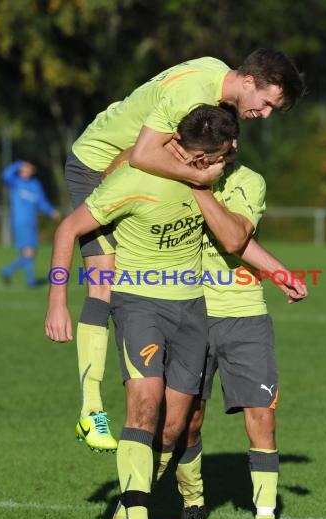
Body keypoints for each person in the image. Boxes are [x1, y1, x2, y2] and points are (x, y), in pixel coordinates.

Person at [66, 47, 305, 451]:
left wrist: (280, 274)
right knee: (103, 285)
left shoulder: (214, 77)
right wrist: (203, 178)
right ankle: (91, 411)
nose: (264, 115)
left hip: (124, 166)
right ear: (248, 81)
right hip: (96, 166)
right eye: (266, 104)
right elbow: (143, 155)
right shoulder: (195, 94)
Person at [45, 105, 241, 519]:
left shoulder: (223, 180)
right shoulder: (136, 180)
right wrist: (57, 299)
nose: (203, 168)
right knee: (144, 404)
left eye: (212, 161)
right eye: (196, 160)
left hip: (192, 308)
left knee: (173, 429)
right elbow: (69, 228)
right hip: (138, 303)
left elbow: (239, 238)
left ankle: (122, 511)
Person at [106, 127, 307, 519]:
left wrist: (278, 271)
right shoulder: (171, 173)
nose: (227, 147)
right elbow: (122, 173)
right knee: (182, 424)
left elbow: (237, 237)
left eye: (231, 139)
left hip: (243, 314)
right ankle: (180, 504)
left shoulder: (247, 181)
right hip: (190, 310)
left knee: (262, 416)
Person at [0, 160, 60, 288]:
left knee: (31, 252)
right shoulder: (15, 182)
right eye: (25, 168)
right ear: (21, 169)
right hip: (20, 222)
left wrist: (51, 211)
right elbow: (5, 175)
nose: (27, 171)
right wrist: (18, 164)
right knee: (29, 252)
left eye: (29, 169)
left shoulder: (35, 184)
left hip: (32, 222)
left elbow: (41, 202)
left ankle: (8, 271)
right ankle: (31, 281)